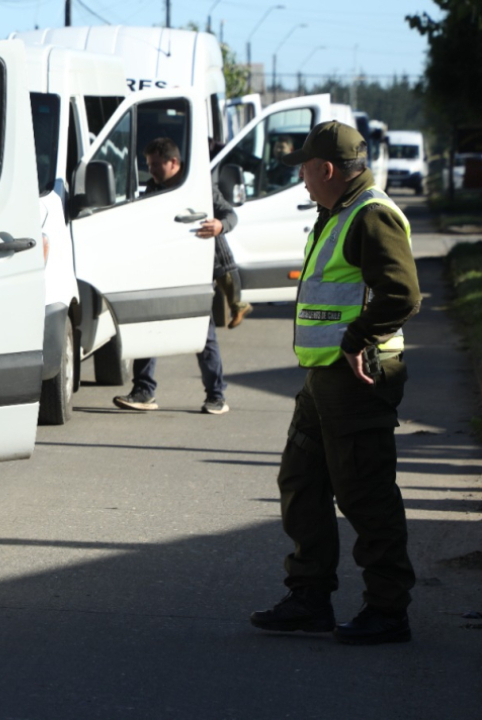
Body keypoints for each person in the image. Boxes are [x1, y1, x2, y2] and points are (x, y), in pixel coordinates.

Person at [249, 121, 420, 645]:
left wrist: (356, 338)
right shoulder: (339, 211)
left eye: (304, 168)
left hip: (357, 379)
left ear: (326, 169)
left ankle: (388, 611)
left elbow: (403, 295)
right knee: (301, 481)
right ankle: (309, 598)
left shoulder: (371, 215)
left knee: (365, 495)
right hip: (323, 379)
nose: (300, 179)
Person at [113, 137, 236, 415]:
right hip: (160, 269)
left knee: (203, 334)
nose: (151, 170)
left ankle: (216, 396)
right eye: (149, 165)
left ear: (174, 163)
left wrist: (220, 225)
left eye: (156, 164)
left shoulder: (198, 188)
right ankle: (144, 392)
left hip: (192, 269)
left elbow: (230, 214)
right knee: (148, 328)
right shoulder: (153, 187)